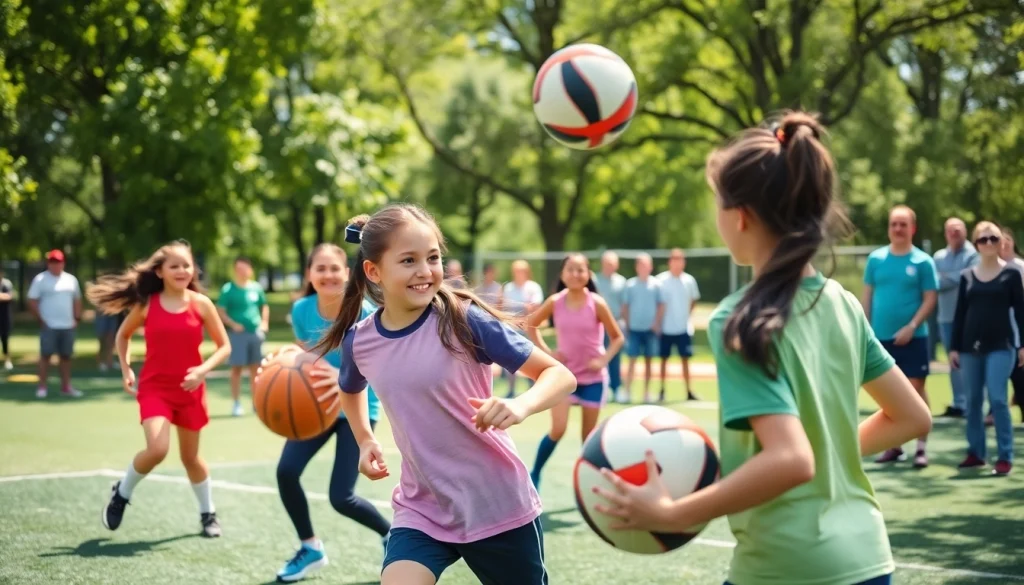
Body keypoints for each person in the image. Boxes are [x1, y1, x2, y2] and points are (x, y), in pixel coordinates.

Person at [589, 113, 932, 585]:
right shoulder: (843, 303)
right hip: (870, 558)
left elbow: (791, 460)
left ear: (741, 215)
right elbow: (913, 417)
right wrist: (823, 447)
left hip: (788, 567)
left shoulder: (738, 320)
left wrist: (672, 514)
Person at [312, 204, 576, 585]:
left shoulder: (464, 320)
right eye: (408, 260)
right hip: (423, 508)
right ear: (374, 271)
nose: (425, 271)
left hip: (496, 505)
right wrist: (365, 439)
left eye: (433, 257)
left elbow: (559, 375)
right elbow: (349, 389)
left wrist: (520, 405)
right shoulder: (361, 341)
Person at [88, 240, 231, 537]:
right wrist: (126, 369)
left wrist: (203, 370)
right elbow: (123, 335)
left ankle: (208, 514)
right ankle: (121, 495)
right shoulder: (146, 305)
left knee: (190, 459)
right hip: (155, 388)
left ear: (194, 270)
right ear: (160, 271)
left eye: (186, 265)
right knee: (158, 449)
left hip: (190, 390)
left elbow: (224, 347)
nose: (182, 270)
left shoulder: (201, 304)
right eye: (174, 265)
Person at [268, 243, 392, 582]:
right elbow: (305, 359)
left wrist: (334, 375)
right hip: (317, 408)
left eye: (335, 268)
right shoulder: (301, 311)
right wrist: (287, 362)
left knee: (341, 497)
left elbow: (376, 370)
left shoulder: (364, 312)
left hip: (358, 407)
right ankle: (310, 548)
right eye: (320, 268)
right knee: (286, 471)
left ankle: (393, 536)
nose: (328, 275)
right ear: (310, 274)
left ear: (348, 272)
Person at [526, 253, 625, 489]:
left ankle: (589, 485)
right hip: (564, 377)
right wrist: (548, 353)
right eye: (570, 269)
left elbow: (617, 338)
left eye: (581, 270)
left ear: (588, 274)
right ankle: (535, 473)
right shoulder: (555, 301)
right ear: (562, 274)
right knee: (558, 429)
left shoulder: (597, 303)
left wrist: (603, 360)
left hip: (593, 379)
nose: (576, 274)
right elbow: (531, 325)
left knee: (588, 438)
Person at [862, 205, 939, 468]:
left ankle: (920, 447)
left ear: (912, 229)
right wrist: (865, 328)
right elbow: (868, 296)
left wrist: (912, 325)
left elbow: (930, 298)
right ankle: (893, 447)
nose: (897, 229)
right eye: (894, 224)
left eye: (903, 224)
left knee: (915, 389)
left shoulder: (923, 262)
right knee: (888, 395)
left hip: (915, 337)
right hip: (880, 338)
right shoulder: (876, 260)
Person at [949, 222, 1024, 476]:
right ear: (977, 244)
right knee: (972, 401)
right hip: (969, 347)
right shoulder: (967, 276)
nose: (989, 243)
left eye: (993, 238)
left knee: (998, 398)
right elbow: (959, 315)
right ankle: (976, 453)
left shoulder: (1012, 274)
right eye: (983, 239)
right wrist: (953, 348)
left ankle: (1005, 456)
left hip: (1002, 347)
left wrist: (1023, 344)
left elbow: (1021, 313)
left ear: (1001, 241)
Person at [932, 217, 977, 418]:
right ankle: (959, 403)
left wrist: (945, 277)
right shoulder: (939, 256)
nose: (954, 233)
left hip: (969, 317)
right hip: (945, 317)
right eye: (950, 230)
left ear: (965, 232)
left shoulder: (974, 254)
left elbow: (966, 277)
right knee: (954, 361)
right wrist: (952, 276)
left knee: (970, 360)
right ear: (945, 233)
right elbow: (934, 283)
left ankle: (972, 403)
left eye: (958, 229)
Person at [217, 256, 269, 417]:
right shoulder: (228, 289)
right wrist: (232, 324)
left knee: (256, 369)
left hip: (255, 333)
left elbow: (264, 306)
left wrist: (264, 322)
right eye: (239, 269)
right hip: (237, 335)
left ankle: (256, 402)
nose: (243, 272)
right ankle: (236, 403)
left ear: (250, 270)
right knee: (236, 369)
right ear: (235, 270)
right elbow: (220, 311)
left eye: (245, 268)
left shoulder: (256, 288)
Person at [27, 249, 83, 398]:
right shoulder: (40, 280)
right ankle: (42, 387)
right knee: (46, 356)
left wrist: (76, 318)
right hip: (49, 325)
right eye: (52, 262)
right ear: (48, 263)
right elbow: (32, 301)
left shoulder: (71, 280)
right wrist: (40, 319)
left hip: (67, 325)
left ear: (63, 263)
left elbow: (77, 299)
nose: (55, 265)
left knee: (66, 356)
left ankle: (66, 386)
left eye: (58, 262)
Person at [655, 248, 701, 402]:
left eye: (680, 260)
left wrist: (686, 315)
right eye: (674, 260)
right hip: (666, 327)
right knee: (663, 359)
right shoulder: (661, 280)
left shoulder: (689, 281)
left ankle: (689, 390)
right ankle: (661, 390)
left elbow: (694, 300)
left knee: (685, 359)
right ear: (670, 262)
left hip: (683, 327)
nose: (677, 263)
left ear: (683, 262)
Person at [621, 253, 663, 403]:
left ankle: (646, 393)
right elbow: (625, 306)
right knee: (631, 360)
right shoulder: (630, 285)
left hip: (650, 330)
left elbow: (661, 305)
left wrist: (656, 323)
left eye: (646, 264)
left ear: (650, 267)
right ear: (637, 267)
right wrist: (628, 323)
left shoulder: (656, 285)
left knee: (649, 361)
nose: (643, 268)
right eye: (640, 265)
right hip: (634, 329)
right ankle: (626, 391)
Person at [499, 259, 544, 398]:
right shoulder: (509, 288)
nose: (518, 274)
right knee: (510, 358)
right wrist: (523, 308)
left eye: (521, 271)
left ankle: (533, 387)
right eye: (516, 271)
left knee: (532, 358)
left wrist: (524, 312)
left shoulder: (533, 287)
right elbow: (504, 307)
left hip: (528, 328)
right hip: (512, 327)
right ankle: (511, 389)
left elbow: (535, 307)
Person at [592, 251, 626, 403]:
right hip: (597, 324)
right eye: (607, 263)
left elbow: (625, 305)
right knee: (598, 355)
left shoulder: (622, 282)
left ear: (616, 265)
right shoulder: (595, 280)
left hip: (615, 323)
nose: (609, 266)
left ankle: (616, 388)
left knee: (614, 358)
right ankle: (599, 388)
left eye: (612, 264)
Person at [0, 267, 13, 370]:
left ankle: (7, 360)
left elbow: (9, 296)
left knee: (5, 339)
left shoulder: (6, 284)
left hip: (4, 317)